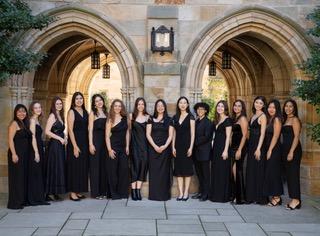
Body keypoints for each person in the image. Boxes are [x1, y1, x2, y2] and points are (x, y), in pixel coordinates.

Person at [146, 99, 173, 201]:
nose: (160, 107)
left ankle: (164, 195)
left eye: (162, 106)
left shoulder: (169, 120)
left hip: (165, 150)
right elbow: (148, 134)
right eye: (158, 106)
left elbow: (170, 135)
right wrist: (155, 146)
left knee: (164, 172)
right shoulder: (150, 119)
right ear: (156, 107)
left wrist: (165, 146)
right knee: (154, 172)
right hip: (153, 149)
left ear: (164, 107)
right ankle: (154, 195)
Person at [7, 104, 31, 209]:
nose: (22, 113)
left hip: (24, 155)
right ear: (16, 113)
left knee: (22, 177)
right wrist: (14, 154)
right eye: (19, 111)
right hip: (16, 154)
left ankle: (21, 200)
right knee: (17, 178)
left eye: (24, 111)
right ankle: (15, 202)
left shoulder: (24, 123)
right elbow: (10, 140)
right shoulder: (14, 123)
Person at [172, 96, 195, 201]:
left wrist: (191, 147)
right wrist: (173, 147)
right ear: (178, 104)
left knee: (187, 170)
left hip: (187, 147)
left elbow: (193, 134)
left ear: (187, 105)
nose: (182, 104)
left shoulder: (191, 117)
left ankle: (186, 192)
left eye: (184, 102)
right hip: (177, 146)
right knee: (179, 171)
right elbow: (174, 133)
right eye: (180, 102)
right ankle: (180, 193)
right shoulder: (175, 117)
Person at [106, 99, 130, 199]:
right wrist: (109, 150)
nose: (117, 108)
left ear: (122, 107)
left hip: (123, 148)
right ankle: (114, 193)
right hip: (114, 148)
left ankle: (123, 193)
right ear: (112, 107)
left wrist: (128, 146)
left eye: (119, 106)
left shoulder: (126, 118)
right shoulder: (110, 119)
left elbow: (128, 132)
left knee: (124, 170)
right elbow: (107, 136)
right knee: (113, 171)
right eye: (115, 106)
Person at [67, 92, 89, 201]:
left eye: (81, 98)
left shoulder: (85, 112)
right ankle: (72, 192)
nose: (79, 100)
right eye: (77, 99)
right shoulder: (71, 112)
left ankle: (78, 190)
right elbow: (70, 130)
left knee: (82, 167)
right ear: (73, 101)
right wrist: (75, 146)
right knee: (74, 167)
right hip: (74, 142)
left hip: (84, 142)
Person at [246, 96, 268, 204]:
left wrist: (258, 148)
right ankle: (251, 196)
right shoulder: (254, 115)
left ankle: (259, 197)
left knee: (258, 170)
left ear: (263, 105)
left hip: (258, 145)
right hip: (251, 144)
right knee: (251, 169)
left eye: (260, 103)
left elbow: (263, 133)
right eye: (256, 102)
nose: (258, 104)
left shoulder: (263, 116)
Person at [209, 100, 232, 202]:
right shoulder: (217, 120)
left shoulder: (228, 120)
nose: (220, 108)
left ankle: (222, 196)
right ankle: (215, 194)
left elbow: (228, 137)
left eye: (222, 106)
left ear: (225, 108)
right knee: (216, 171)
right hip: (216, 148)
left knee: (223, 171)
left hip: (223, 148)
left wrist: (226, 150)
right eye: (218, 106)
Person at [45, 96, 67, 201]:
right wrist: (59, 138)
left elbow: (60, 130)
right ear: (53, 105)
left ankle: (56, 192)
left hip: (60, 146)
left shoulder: (60, 115)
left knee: (59, 167)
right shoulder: (52, 116)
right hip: (54, 146)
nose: (59, 105)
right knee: (54, 167)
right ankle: (49, 193)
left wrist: (65, 136)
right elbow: (47, 132)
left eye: (60, 104)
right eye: (57, 104)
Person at [282, 99, 302, 210]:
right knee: (289, 176)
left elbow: (296, 137)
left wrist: (291, 152)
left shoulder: (295, 120)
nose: (288, 108)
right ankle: (294, 199)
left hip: (293, 150)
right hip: (285, 149)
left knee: (293, 175)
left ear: (294, 108)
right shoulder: (285, 119)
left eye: (290, 106)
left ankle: (296, 200)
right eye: (286, 106)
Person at [28, 101, 50, 205]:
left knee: (39, 173)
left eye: (39, 107)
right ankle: (36, 199)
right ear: (32, 110)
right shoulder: (32, 120)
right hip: (35, 149)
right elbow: (32, 137)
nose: (38, 109)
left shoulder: (37, 120)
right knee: (36, 173)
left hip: (39, 148)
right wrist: (36, 152)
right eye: (36, 108)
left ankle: (40, 197)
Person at [263, 99, 283, 206]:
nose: (271, 109)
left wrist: (270, 150)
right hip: (269, 148)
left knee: (274, 172)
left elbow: (276, 136)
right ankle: (274, 195)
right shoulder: (269, 119)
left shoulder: (277, 119)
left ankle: (277, 197)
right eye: (269, 107)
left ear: (277, 109)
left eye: (273, 107)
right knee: (270, 172)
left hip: (274, 149)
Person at [88, 94, 108, 199]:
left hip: (105, 143)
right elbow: (90, 130)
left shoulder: (106, 113)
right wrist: (90, 144)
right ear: (94, 104)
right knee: (95, 167)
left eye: (100, 100)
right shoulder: (92, 113)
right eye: (96, 101)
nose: (99, 102)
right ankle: (96, 193)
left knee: (103, 167)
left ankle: (103, 191)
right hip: (95, 142)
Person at [192, 102, 213, 201]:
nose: (200, 111)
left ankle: (206, 194)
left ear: (205, 111)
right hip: (196, 153)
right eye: (198, 109)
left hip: (204, 152)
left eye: (202, 109)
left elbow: (206, 137)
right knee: (199, 174)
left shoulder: (208, 122)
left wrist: (193, 142)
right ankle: (200, 192)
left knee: (205, 174)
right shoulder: (196, 122)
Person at [129, 97, 149, 200]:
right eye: (139, 104)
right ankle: (133, 191)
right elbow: (128, 132)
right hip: (134, 146)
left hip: (144, 146)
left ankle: (138, 191)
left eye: (142, 104)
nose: (140, 106)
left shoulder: (147, 117)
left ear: (144, 106)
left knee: (143, 167)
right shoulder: (131, 116)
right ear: (136, 105)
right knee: (134, 167)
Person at [230, 100, 248, 204]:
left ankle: (240, 198)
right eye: (235, 105)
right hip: (233, 146)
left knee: (238, 170)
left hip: (240, 147)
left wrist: (240, 150)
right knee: (234, 171)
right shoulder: (235, 118)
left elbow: (245, 135)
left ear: (242, 108)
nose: (236, 107)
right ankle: (236, 195)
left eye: (239, 106)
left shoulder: (243, 118)